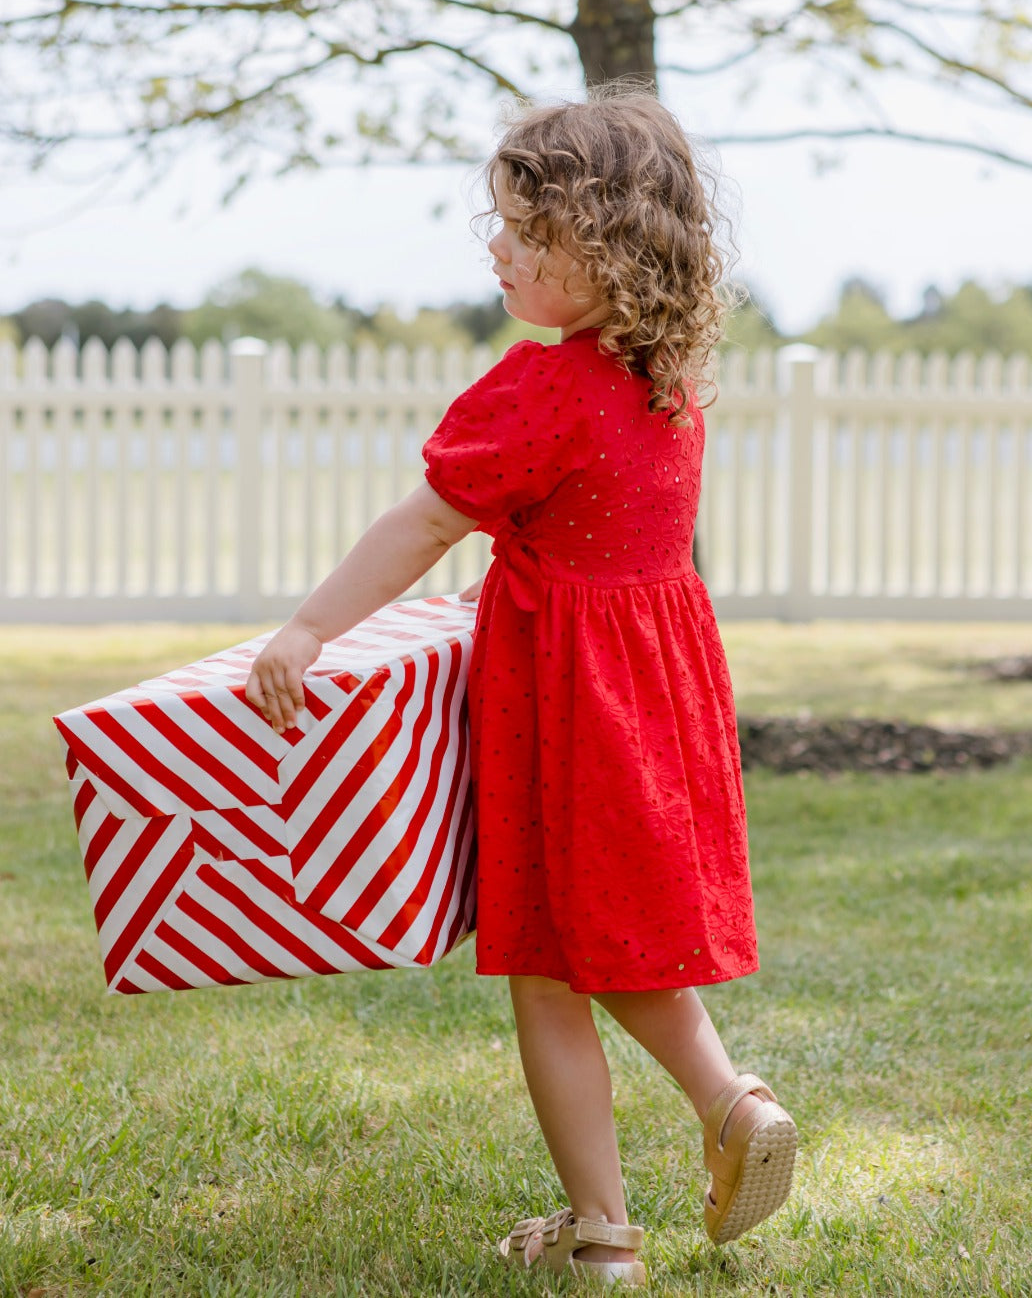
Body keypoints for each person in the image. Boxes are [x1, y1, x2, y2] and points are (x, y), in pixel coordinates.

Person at [246, 86, 796, 1288]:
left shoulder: (543, 388)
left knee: (550, 971)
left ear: (596, 247)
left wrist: (308, 627)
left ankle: (614, 1223)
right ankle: (730, 1111)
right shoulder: (667, 384)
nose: (494, 247)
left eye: (522, 230)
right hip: (655, 697)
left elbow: (425, 524)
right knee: (634, 948)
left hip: (568, 708)